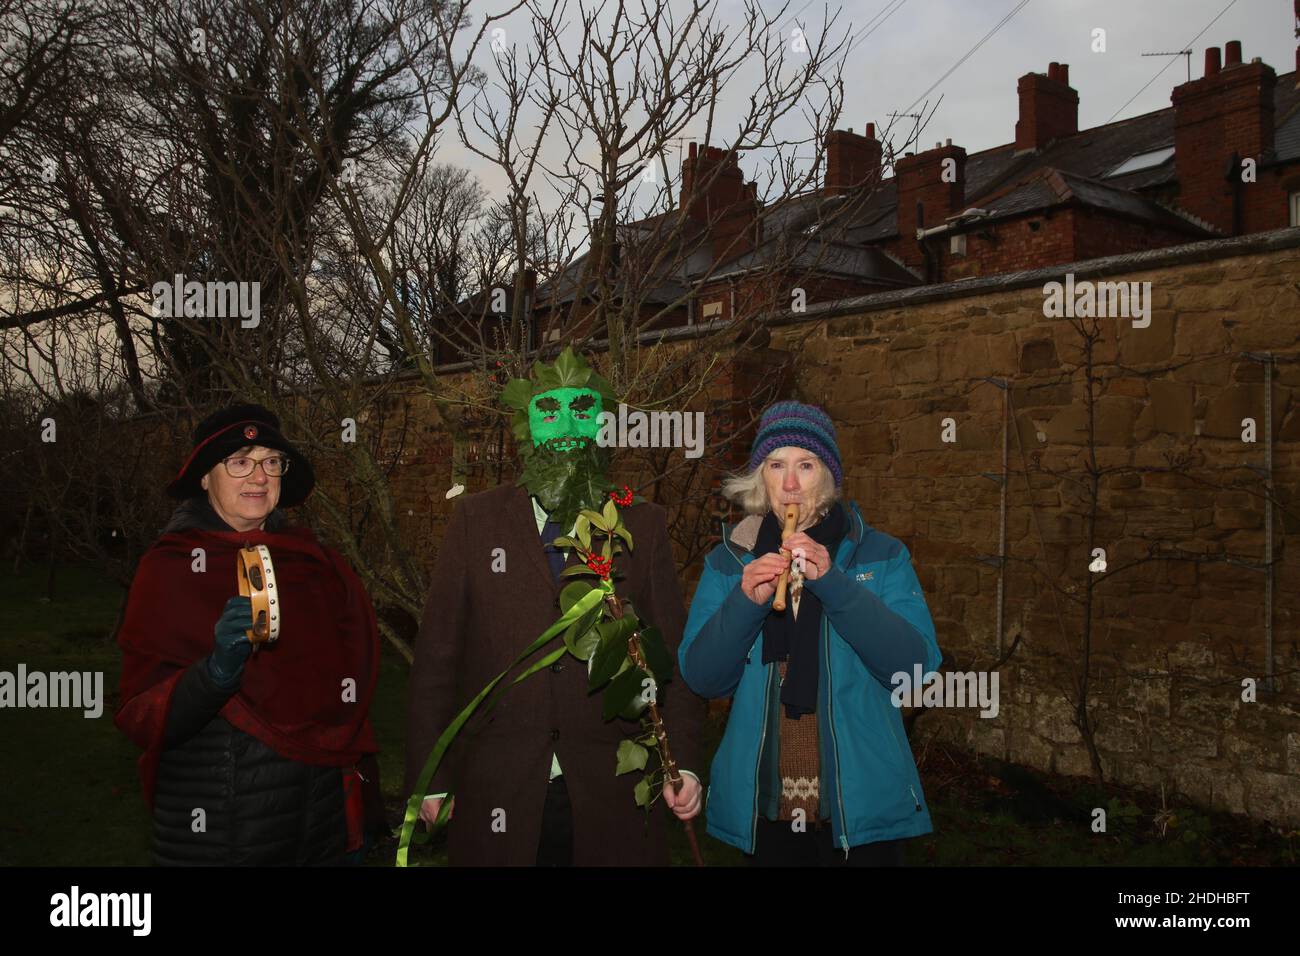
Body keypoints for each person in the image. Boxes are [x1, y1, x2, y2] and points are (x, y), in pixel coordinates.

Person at [405, 347, 706, 866]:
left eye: (582, 410)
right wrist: (430, 776)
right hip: (498, 787)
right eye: (548, 412)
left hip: (611, 791)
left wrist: (685, 765)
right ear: (526, 426)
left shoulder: (643, 523)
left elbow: (673, 658)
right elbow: (438, 658)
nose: (566, 427)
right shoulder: (475, 522)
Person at [114, 404, 383, 865]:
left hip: (324, 822)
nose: (259, 476)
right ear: (204, 477)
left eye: (271, 462)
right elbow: (144, 716)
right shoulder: (172, 569)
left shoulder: (313, 563)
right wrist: (214, 674)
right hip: (223, 826)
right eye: (239, 461)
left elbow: (350, 689)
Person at [679, 400, 941, 866]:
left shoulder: (880, 554)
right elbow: (702, 676)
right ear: (761, 477)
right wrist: (744, 605)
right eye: (776, 466)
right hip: (766, 816)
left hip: (861, 818)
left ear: (829, 474)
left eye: (806, 464)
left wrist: (835, 587)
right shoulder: (730, 560)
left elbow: (914, 668)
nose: (791, 484)